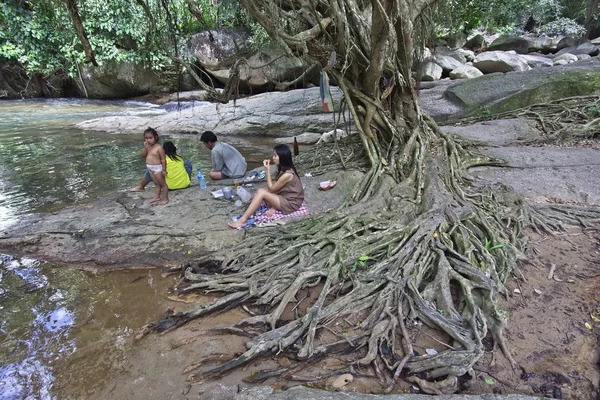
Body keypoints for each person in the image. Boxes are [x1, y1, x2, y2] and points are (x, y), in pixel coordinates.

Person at [228, 144, 304, 229]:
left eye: (275, 155)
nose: (273, 158)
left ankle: (243, 220)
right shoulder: (284, 169)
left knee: (261, 192)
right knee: (260, 192)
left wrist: (267, 170)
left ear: (282, 157)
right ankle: (267, 208)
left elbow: (271, 189)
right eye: (273, 155)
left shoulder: (287, 174)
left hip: (291, 203)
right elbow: (275, 189)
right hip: (286, 196)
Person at [132, 127, 168, 205]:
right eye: (146, 138)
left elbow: (163, 160)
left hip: (157, 168)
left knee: (163, 184)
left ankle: (165, 198)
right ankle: (156, 196)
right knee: (156, 184)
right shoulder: (147, 147)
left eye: (150, 138)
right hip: (150, 167)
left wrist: (164, 170)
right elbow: (143, 155)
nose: (148, 140)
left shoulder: (159, 148)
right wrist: (145, 148)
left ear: (156, 137)